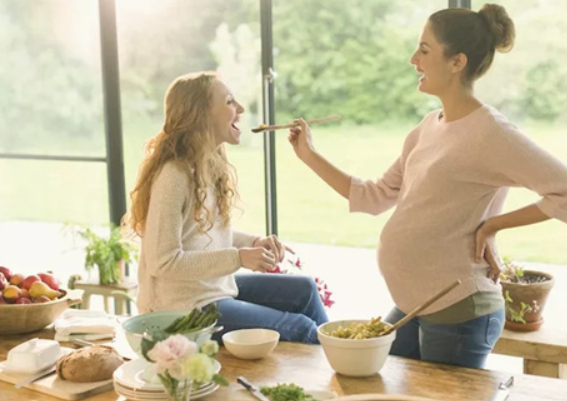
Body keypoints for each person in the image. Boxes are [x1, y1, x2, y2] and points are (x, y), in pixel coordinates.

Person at [288, 4, 567, 368]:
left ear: (457, 62)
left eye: (424, 49)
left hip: (458, 313)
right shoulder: (428, 126)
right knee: (368, 379)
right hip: (414, 304)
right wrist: (309, 154)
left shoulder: (492, 133)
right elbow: (374, 197)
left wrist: (494, 225)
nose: (412, 59)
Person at [125, 71, 328, 344]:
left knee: (304, 289)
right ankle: (342, 371)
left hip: (210, 291)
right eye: (230, 102)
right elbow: (164, 261)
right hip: (180, 311)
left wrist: (254, 242)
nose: (241, 109)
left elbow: (204, 234)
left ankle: (344, 355)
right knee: (301, 328)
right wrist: (239, 258)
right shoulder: (173, 175)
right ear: (200, 113)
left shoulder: (206, 164)